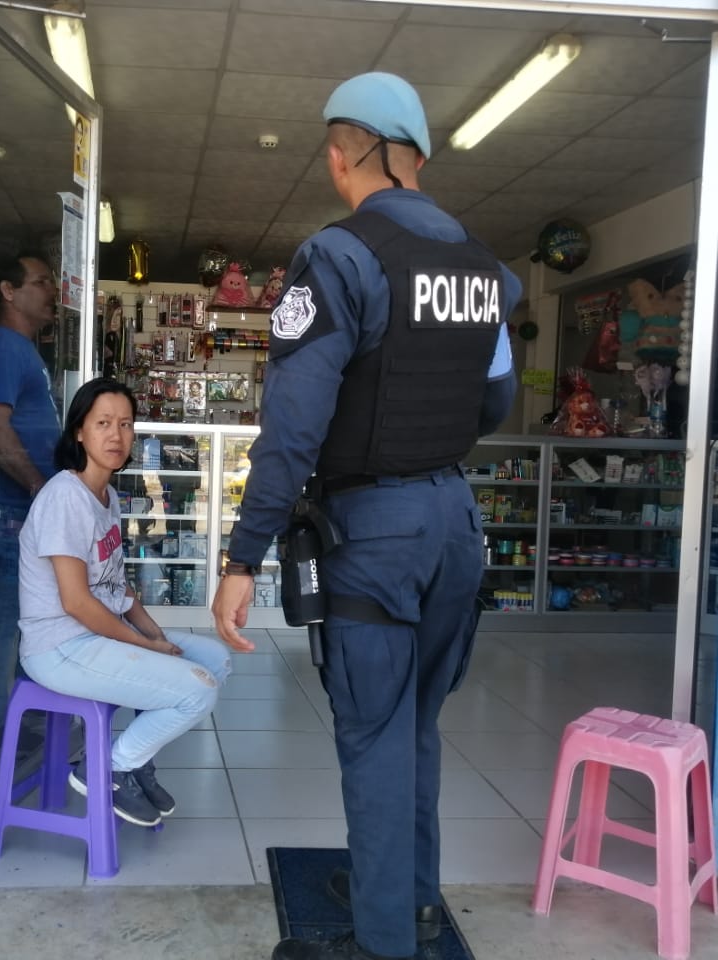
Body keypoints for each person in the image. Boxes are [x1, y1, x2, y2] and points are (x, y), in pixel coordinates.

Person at [211, 72, 521, 960]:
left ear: (340, 157)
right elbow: (494, 401)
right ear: (418, 157)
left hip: (375, 533)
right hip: (454, 523)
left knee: (375, 735)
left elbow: (294, 426)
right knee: (415, 724)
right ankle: (410, 900)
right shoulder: (487, 270)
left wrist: (243, 558)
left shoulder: (338, 256)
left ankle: (384, 942)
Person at [18, 378, 232, 827]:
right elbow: (77, 603)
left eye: (125, 424)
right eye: (103, 423)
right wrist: (145, 646)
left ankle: (135, 761)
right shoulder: (65, 497)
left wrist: (153, 632)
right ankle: (109, 770)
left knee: (214, 659)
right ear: (79, 431)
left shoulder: (107, 495)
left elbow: (117, 584)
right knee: (198, 691)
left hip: (97, 637)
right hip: (60, 647)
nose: (116, 435)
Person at [0, 250, 62, 756]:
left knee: (21, 618)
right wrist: (37, 485)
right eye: (41, 282)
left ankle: (18, 713)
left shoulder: (22, 351)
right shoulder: (3, 347)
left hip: (18, 510)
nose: (52, 291)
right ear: (8, 290)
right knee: (1, 620)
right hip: (4, 511)